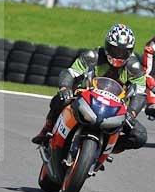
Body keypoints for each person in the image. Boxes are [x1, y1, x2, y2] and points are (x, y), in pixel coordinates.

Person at [31, 23, 148, 153]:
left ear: (130, 51)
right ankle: (47, 128)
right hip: (85, 97)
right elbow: (70, 73)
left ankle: (106, 150)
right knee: (60, 99)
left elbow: (140, 93)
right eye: (115, 50)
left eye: (123, 52)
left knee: (139, 135)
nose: (118, 55)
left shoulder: (135, 68)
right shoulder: (92, 57)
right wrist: (65, 88)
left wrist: (131, 113)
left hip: (114, 108)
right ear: (107, 45)